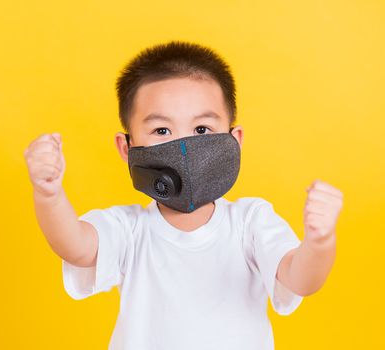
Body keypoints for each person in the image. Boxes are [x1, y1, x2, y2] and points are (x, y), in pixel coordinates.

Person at [23, 40, 343, 349]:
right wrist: (49, 194)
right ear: (127, 147)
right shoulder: (129, 229)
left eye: (202, 130)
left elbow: (300, 279)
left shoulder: (250, 222)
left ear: (235, 140)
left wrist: (320, 241)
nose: (184, 148)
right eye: (162, 131)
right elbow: (75, 246)